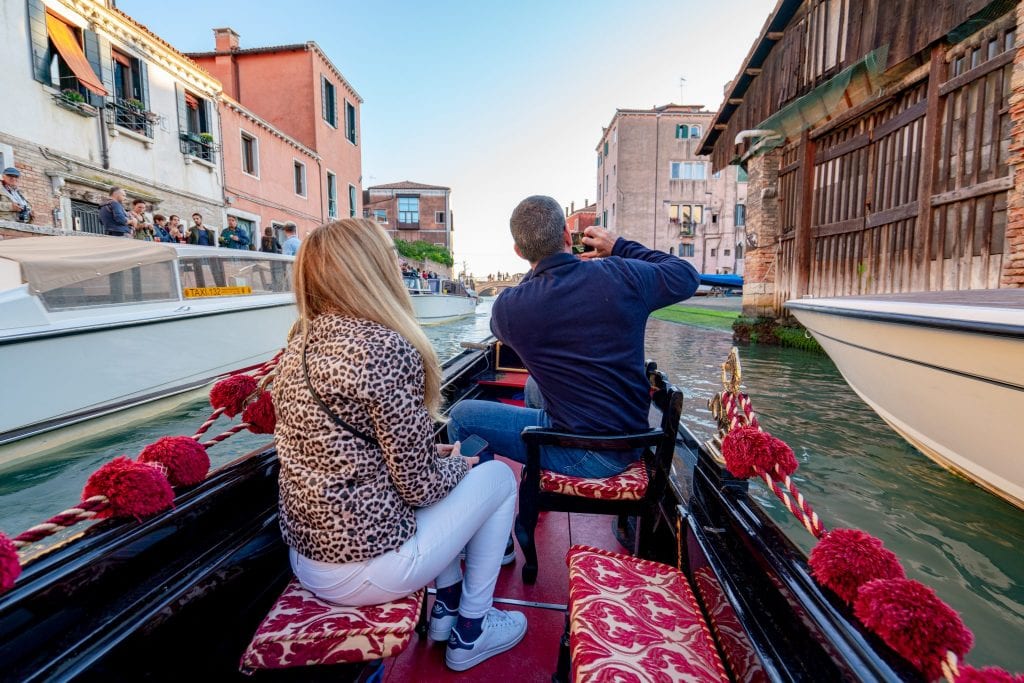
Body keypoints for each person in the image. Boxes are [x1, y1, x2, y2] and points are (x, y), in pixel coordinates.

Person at [272, 218, 526, 671]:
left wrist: (435, 459)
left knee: (448, 478)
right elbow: (421, 489)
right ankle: (473, 627)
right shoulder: (384, 347)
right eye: (389, 256)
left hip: (308, 559)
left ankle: (446, 609)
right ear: (373, 270)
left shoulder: (297, 344)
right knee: (500, 479)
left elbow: (354, 454)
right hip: (365, 566)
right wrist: (461, 464)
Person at [448, 195, 699, 477]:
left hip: (584, 453)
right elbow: (687, 276)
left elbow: (502, 323)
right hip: (631, 439)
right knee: (533, 386)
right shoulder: (623, 273)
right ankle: (539, 468)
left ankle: (488, 494)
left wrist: (544, 268)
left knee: (461, 416)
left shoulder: (511, 308)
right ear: (568, 235)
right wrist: (619, 246)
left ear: (519, 252)